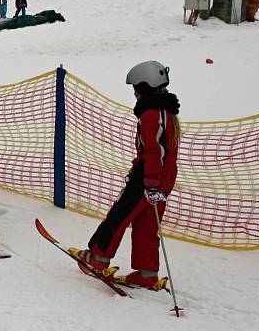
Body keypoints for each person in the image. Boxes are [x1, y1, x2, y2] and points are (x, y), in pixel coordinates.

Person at [73, 61, 179, 289]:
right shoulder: (167, 112)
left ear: (145, 86)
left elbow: (153, 151)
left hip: (149, 176)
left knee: (119, 215)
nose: (135, 93)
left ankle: (98, 258)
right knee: (147, 223)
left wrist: (149, 182)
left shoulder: (151, 114)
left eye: (137, 88)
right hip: (164, 177)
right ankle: (147, 272)